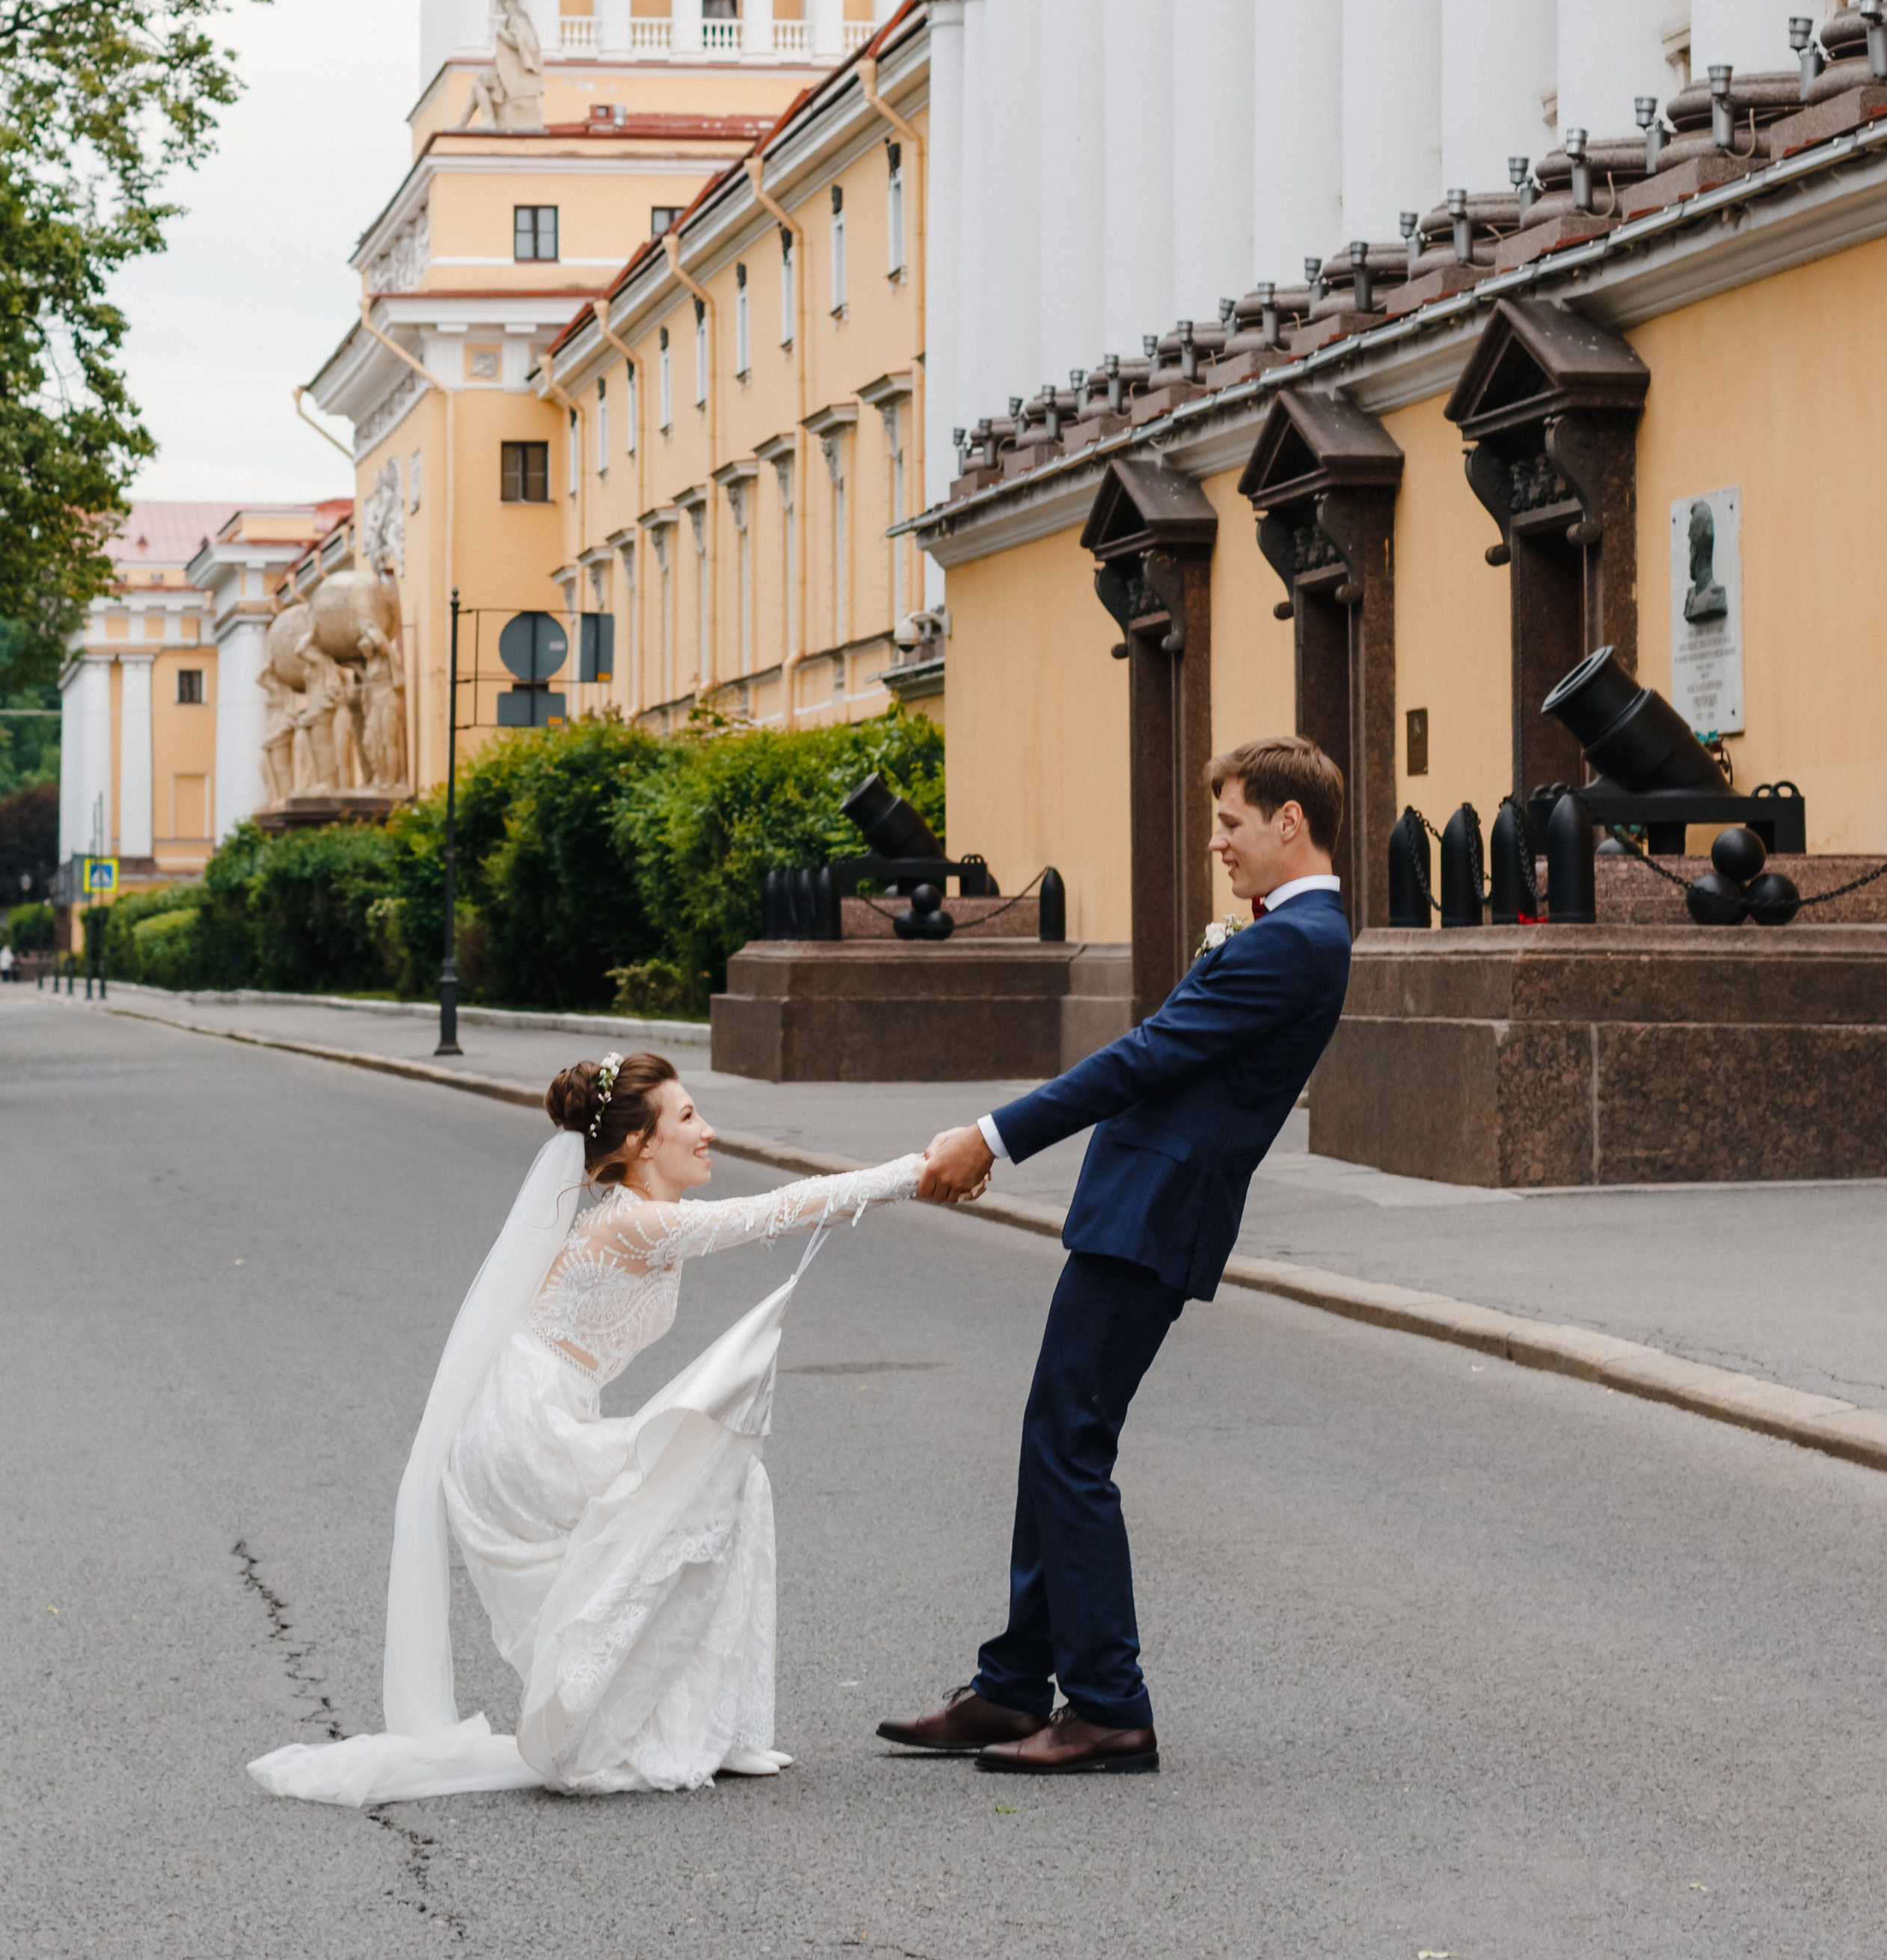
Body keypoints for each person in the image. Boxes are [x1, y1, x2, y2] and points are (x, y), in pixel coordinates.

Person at [250, 1056, 926, 1804]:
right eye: (689, 1118)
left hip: (534, 1418)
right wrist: (918, 1170)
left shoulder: (633, 1217)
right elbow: (776, 1211)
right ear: (640, 1143)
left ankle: (700, 1724)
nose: (709, 1132)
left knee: (692, 1499)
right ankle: (668, 1730)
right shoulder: (636, 1222)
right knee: (706, 1484)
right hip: (524, 1432)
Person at [881, 736, 1352, 1777]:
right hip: (1140, 1203)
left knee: (1070, 1441)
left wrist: (991, 1136)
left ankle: (1106, 1705)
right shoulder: (1284, 934)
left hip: (1157, 1211)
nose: (1218, 844)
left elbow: (1147, 1053)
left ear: (1290, 822)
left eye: (1232, 823)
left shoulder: (1295, 941)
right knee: (1057, 1431)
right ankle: (1013, 1686)